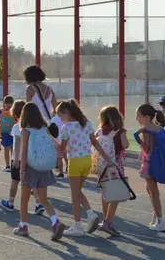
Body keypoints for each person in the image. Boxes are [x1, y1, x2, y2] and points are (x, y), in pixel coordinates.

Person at [57, 99, 115, 237]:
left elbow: (62, 147)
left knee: (74, 195)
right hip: (86, 161)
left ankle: (79, 224)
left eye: (60, 115)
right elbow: (94, 142)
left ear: (67, 113)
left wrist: (54, 140)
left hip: (75, 162)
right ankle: (89, 215)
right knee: (77, 191)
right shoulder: (87, 124)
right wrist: (107, 159)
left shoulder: (66, 128)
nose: (60, 119)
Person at [15, 102, 66, 240]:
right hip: (44, 166)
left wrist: (22, 168)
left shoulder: (26, 130)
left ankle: (23, 225)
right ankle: (55, 222)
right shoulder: (44, 128)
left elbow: (24, 150)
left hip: (31, 166)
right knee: (43, 198)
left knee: (24, 198)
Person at [93, 106, 129, 237]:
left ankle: (105, 219)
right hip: (115, 164)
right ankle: (109, 222)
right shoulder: (120, 131)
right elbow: (125, 145)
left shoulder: (100, 131)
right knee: (116, 193)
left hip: (102, 165)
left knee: (105, 192)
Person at [135, 104, 165, 231]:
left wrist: (138, 139)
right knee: (150, 189)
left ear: (147, 116)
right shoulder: (159, 128)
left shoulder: (145, 129)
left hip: (149, 162)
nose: (136, 118)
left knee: (153, 191)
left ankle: (159, 219)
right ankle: (156, 215)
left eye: (138, 116)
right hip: (158, 161)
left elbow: (147, 149)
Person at [0, 95, 15, 172]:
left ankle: (7, 166)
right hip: (13, 133)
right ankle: (14, 165)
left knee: (6, 149)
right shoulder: (14, 110)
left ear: (4, 102)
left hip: (5, 133)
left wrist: (0, 129)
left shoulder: (1, 111)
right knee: (13, 149)